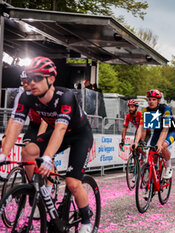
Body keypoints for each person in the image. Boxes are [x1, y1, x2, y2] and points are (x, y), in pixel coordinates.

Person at [0, 56, 94, 233]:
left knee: (73, 183)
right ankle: (39, 192)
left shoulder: (65, 96)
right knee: (28, 151)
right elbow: (15, 124)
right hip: (60, 132)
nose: (32, 82)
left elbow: (60, 128)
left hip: (79, 135)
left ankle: (87, 221)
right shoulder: (25, 96)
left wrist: (48, 158)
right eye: (29, 78)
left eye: (37, 78)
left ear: (50, 79)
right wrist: (3, 154)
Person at [134, 89, 175, 179]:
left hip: (170, 131)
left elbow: (166, 128)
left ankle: (168, 167)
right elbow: (141, 128)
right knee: (152, 153)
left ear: (158, 101)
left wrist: (159, 143)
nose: (151, 101)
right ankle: (154, 174)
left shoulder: (165, 109)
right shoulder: (146, 110)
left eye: (154, 99)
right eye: (149, 99)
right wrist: (137, 142)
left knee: (163, 147)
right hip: (157, 132)